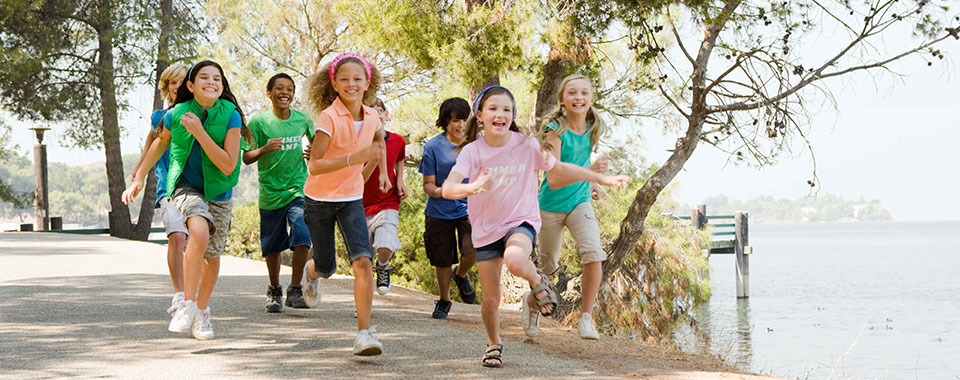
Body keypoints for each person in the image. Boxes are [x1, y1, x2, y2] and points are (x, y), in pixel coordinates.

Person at [440, 85, 631, 367]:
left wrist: (599, 178)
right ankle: (493, 343)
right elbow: (448, 189)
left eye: (507, 109)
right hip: (485, 230)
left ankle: (538, 281)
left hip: (521, 221)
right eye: (493, 109)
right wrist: (475, 186)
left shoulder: (526, 145)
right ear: (479, 116)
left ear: (512, 115)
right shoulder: (472, 152)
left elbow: (560, 169)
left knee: (517, 259)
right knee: (491, 300)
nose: (500, 114)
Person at [123, 60, 251, 340]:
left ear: (222, 85)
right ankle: (187, 304)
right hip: (185, 186)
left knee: (212, 257)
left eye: (217, 78)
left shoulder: (231, 115)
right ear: (190, 86)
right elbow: (159, 144)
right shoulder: (175, 113)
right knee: (198, 231)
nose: (211, 82)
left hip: (219, 190)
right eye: (203, 77)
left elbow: (229, 165)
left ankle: (202, 312)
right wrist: (139, 177)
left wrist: (200, 133)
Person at [300, 52, 389, 356]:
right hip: (319, 200)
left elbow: (378, 143)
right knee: (326, 267)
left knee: (363, 261)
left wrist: (380, 174)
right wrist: (354, 159)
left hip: (351, 199)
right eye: (344, 79)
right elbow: (315, 166)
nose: (351, 84)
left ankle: (364, 333)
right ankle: (311, 275)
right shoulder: (328, 117)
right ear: (334, 84)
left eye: (357, 79)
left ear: (367, 83)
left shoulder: (373, 116)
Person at [534, 74, 612, 340]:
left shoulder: (595, 126)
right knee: (548, 268)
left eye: (584, 93)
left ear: (591, 98)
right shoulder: (553, 130)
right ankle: (532, 304)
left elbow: (579, 159)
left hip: (580, 201)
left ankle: (587, 318)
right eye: (572, 93)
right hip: (551, 206)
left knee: (593, 252)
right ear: (562, 100)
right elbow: (553, 179)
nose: (579, 97)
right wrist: (591, 173)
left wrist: (592, 184)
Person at [240, 73, 314, 313]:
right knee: (272, 246)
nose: (285, 92)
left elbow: (320, 147)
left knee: (303, 235)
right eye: (279, 88)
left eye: (290, 89)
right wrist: (264, 148)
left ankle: (294, 289)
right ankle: (274, 290)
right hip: (270, 192)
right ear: (269, 93)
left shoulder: (303, 119)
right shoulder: (258, 122)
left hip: (298, 189)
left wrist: (314, 153)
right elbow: (246, 157)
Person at [128, 62, 189, 316]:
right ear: (167, 87)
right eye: (172, 82)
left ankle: (194, 295)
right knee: (176, 237)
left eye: (182, 81)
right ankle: (180, 295)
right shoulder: (159, 117)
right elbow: (152, 144)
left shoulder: (200, 114)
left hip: (199, 187)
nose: (176, 86)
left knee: (199, 244)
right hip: (169, 188)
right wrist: (138, 174)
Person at [419, 97, 478, 320]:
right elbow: (428, 185)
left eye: (464, 120)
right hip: (439, 211)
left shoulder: (477, 143)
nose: (460, 125)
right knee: (442, 259)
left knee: (473, 250)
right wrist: (442, 192)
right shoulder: (433, 147)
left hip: (470, 208)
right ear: (446, 121)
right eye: (455, 120)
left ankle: (461, 275)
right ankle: (444, 301)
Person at [361, 98, 406, 296]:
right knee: (362, 260)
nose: (376, 115)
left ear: (386, 114)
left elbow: (399, 159)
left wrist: (400, 180)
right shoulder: (358, 142)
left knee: (386, 243)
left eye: (379, 110)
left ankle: (383, 265)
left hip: (387, 201)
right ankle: (363, 303)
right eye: (370, 112)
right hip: (359, 205)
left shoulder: (398, 140)